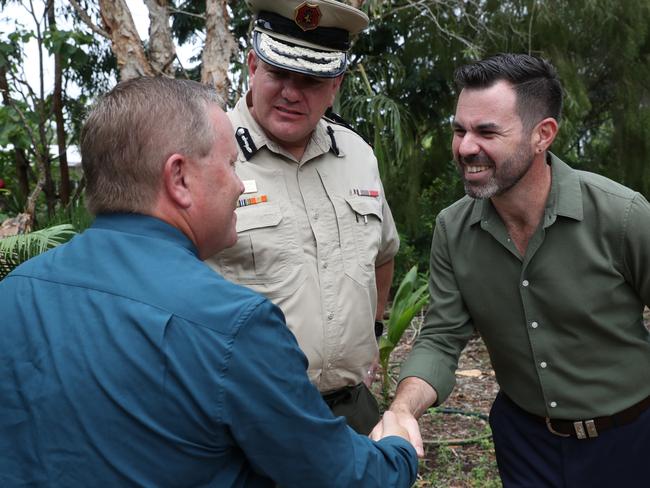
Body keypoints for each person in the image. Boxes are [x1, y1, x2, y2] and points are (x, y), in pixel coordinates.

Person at [0, 77, 418, 487]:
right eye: (231, 165)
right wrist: (398, 446)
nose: (239, 185)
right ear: (179, 178)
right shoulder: (234, 327)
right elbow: (341, 475)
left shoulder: (16, 292)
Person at [374, 53, 650, 487]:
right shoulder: (452, 228)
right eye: (459, 130)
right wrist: (402, 409)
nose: (465, 147)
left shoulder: (623, 216)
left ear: (543, 135)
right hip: (524, 444)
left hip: (630, 442)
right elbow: (443, 337)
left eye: (487, 132)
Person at [205, 0, 400, 435]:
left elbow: (383, 252)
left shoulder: (357, 155)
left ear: (337, 86)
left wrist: (372, 332)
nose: (292, 93)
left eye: (312, 79)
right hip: (249, 417)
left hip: (352, 412)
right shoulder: (207, 155)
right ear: (253, 65)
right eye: (279, 73)